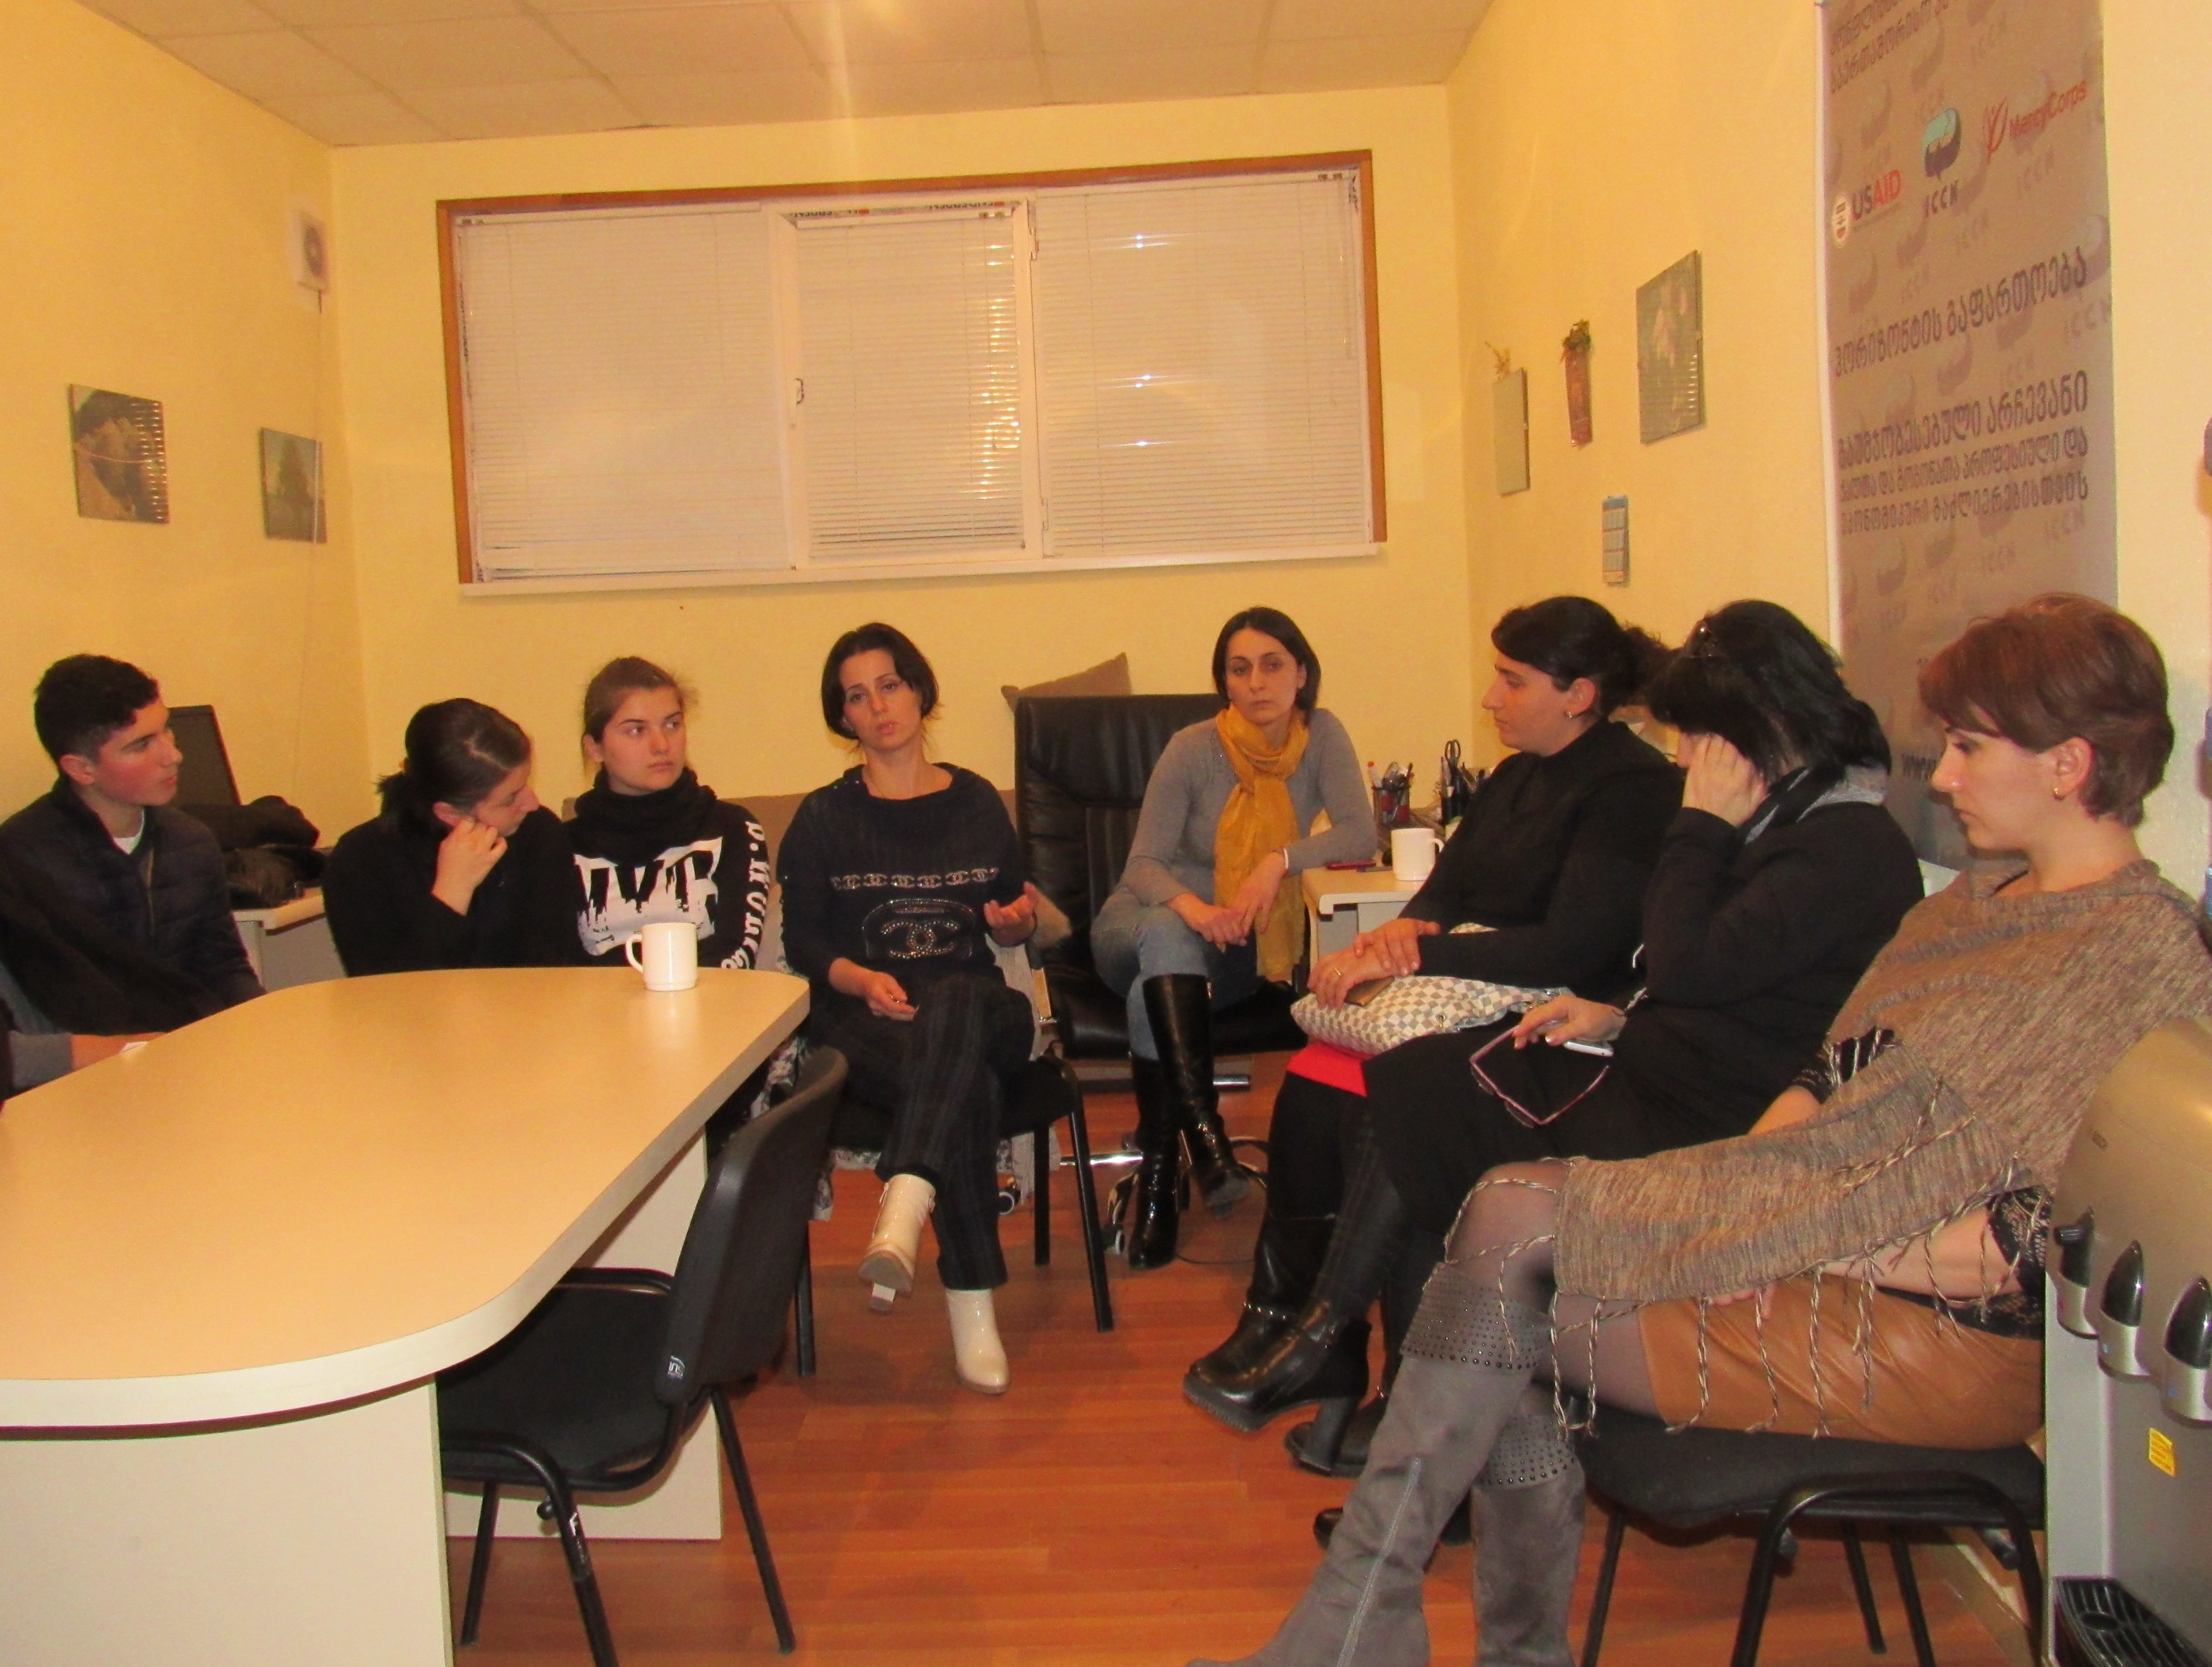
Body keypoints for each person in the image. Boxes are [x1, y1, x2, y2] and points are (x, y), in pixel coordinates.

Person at [1189, 594, 2212, 1667]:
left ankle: (1363, 1630)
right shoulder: (1971, 906)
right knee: (1501, 1251)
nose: (1943, 775)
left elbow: (2031, 1244)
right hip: (1815, 1240)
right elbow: (1821, 1078)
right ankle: (1378, 1627)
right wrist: (1734, 1198)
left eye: (1968, 746)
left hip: (1936, 1333)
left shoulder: (2138, 956)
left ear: (2067, 764)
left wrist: (1777, 1234)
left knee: (1505, 1273)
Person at [1183, 597, 1681, 1443]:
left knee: (1397, 1104)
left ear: (1578, 694)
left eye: (1511, 681)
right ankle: (1282, 1316)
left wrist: (1414, 955)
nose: (1490, 697)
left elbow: (1569, 945)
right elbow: (1446, 890)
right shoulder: (1519, 773)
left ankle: (1392, 1375)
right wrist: (1397, 934)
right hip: (1479, 990)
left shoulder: (1631, 789)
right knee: (1312, 1077)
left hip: (1551, 1020)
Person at [777, 624, 1041, 1395]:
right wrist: (861, 979)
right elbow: (803, 942)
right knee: (967, 1088)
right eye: (857, 696)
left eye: (889, 685)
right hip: (864, 1021)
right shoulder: (823, 817)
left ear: (919, 691)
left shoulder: (976, 803)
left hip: (976, 1006)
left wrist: (1014, 925)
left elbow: (1014, 917)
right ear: (843, 716)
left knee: (955, 997)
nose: (879, 706)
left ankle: (907, 1190)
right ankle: (971, 1309)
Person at [1089, 608, 1375, 1272]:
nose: (1256, 682)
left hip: (1236, 945)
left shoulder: (1321, 737)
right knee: (1165, 935)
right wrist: (1193, 909)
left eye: (1272, 665)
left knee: (1151, 993)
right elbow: (1141, 866)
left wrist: (1279, 859)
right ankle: (1205, 1137)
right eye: (1239, 669)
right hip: (1139, 921)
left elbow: (1360, 832)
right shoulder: (1192, 747)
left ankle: (1161, 1175)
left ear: (1300, 673)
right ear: (1224, 681)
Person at [0, 656, 260, 1012]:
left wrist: (260, 1024)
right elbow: (44, 1002)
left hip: (194, 1037)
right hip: (100, 1044)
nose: (173, 755)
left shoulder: (191, 841)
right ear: (81, 768)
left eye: (166, 730)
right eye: (141, 745)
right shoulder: (22, 859)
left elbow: (224, 969)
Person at [324, 699, 575, 975]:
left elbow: (552, 968)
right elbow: (383, 990)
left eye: (525, 783)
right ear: (450, 813)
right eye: (510, 798)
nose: (532, 803)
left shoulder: (539, 834)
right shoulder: (360, 861)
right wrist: (452, 894)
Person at [563, 657, 768, 972]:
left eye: (672, 725)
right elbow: (557, 968)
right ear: (595, 748)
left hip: (710, 999)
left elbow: (737, 952)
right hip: (597, 1003)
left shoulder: (733, 829)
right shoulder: (562, 847)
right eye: (636, 730)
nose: (661, 745)